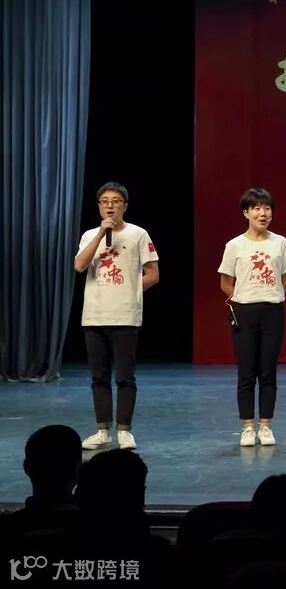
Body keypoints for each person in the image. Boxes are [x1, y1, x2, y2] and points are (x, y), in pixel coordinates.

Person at [74, 182, 159, 451]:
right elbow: (79, 265)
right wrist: (101, 233)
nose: (110, 205)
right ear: (99, 206)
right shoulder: (90, 235)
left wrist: (130, 289)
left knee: (124, 376)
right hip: (94, 316)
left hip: (125, 315)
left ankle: (124, 431)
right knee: (98, 377)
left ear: (125, 205)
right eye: (105, 201)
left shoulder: (138, 234)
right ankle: (103, 431)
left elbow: (153, 274)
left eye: (116, 201)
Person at [218, 188, 286, 447]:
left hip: (273, 311)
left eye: (267, 208)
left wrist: (269, 293)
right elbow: (225, 282)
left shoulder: (280, 242)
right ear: (246, 213)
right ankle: (248, 427)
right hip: (244, 312)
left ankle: (266, 426)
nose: (263, 213)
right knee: (246, 372)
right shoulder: (234, 245)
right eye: (257, 208)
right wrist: (245, 297)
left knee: (268, 371)